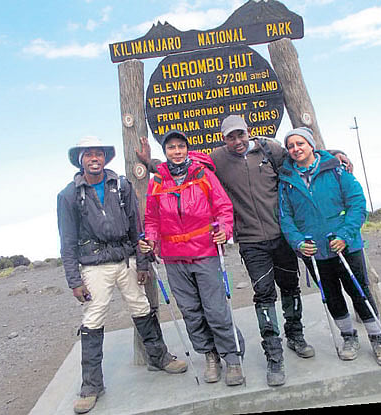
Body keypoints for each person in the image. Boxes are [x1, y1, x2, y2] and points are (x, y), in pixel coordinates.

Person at [137, 116, 351, 386]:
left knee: (288, 288)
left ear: (248, 133)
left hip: (279, 235)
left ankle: (293, 335)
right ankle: (271, 354)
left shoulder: (269, 150)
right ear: (223, 139)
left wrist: (334, 154)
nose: (237, 141)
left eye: (240, 135)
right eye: (230, 137)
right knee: (261, 295)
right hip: (248, 240)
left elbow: (301, 153)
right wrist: (149, 164)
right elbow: (175, 171)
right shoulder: (215, 160)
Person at [57, 136, 187, 414]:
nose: (94, 158)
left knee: (141, 307)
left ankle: (159, 358)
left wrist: (141, 263)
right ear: (80, 160)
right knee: (93, 319)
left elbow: (135, 226)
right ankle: (91, 385)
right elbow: (66, 241)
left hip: (125, 258)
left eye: (99, 154)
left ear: (106, 158)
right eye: (88, 154)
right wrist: (74, 281)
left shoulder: (121, 185)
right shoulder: (68, 195)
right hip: (93, 265)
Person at [278, 127, 381, 366]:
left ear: (311, 145)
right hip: (314, 250)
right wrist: (298, 242)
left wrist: (345, 234)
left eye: (300, 143)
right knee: (331, 296)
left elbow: (356, 204)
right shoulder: (286, 180)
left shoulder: (336, 170)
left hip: (346, 246)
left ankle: (377, 338)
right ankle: (348, 336)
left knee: (359, 292)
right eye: (291, 146)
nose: (296, 149)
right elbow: (285, 217)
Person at [138, 130, 245, 386]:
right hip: (174, 259)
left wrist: (224, 228)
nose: (177, 151)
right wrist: (150, 239)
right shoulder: (157, 182)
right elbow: (152, 218)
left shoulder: (203, 174)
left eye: (180, 147)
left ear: (187, 149)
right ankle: (210, 355)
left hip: (205, 252)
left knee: (216, 309)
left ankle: (232, 358)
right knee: (191, 312)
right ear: (165, 152)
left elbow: (223, 207)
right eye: (172, 147)